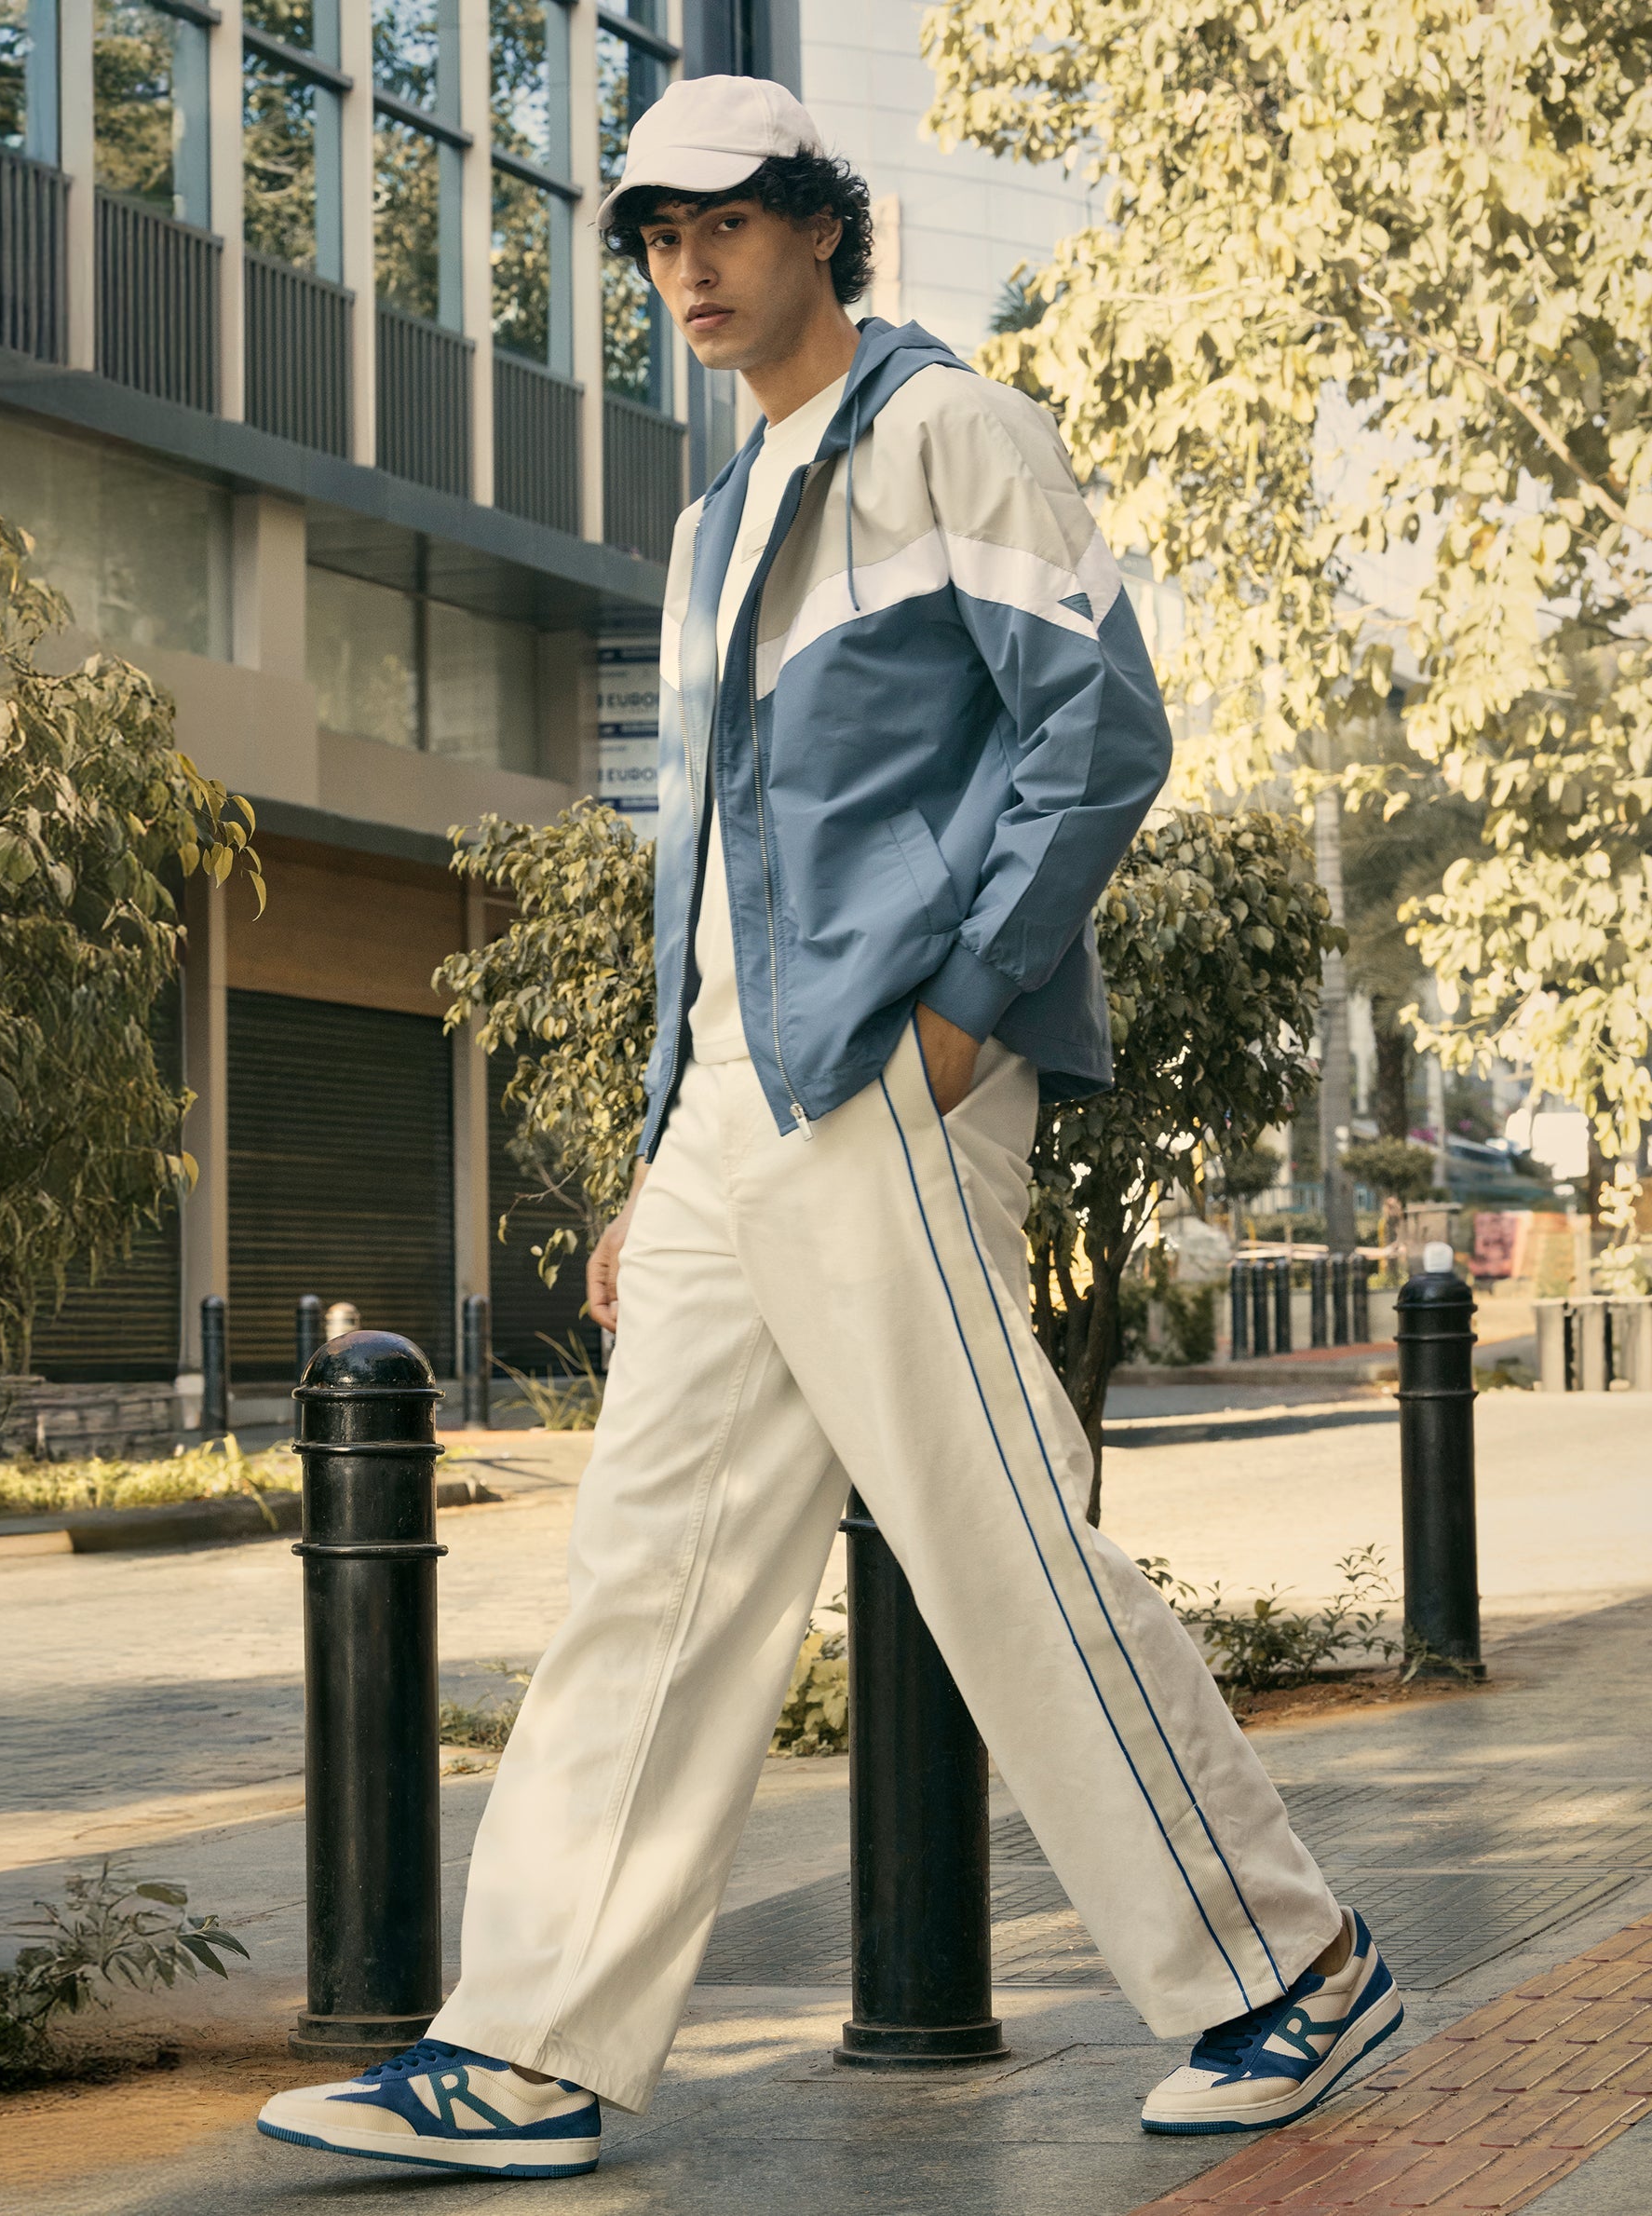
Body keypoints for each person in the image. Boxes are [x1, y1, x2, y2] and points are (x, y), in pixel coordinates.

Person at [257, 75, 1401, 2180]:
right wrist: (665, 1142)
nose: (685, 268)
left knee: (993, 1542)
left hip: (886, 1078)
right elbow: (707, 866)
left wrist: (963, 1012)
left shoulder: (950, 431)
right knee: (650, 1568)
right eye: (655, 238)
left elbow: (1098, 728)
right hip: (735, 1105)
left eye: (722, 223)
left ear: (817, 227)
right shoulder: (712, 526)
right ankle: (530, 2044)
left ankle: (1286, 1961)